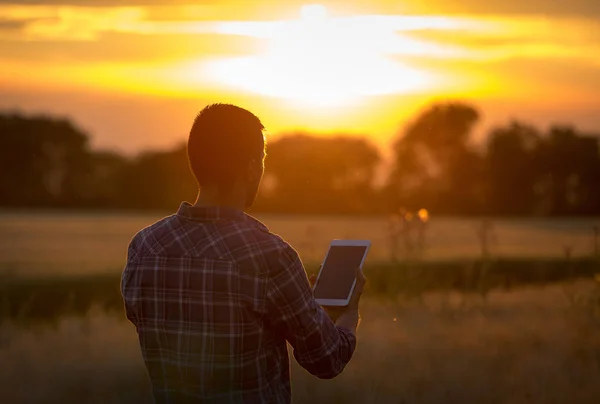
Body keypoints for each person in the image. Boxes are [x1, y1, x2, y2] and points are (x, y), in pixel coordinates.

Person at [121, 103, 366, 403]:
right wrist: (346, 315)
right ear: (251, 168)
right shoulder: (270, 257)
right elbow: (327, 360)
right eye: (262, 160)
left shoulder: (143, 248)